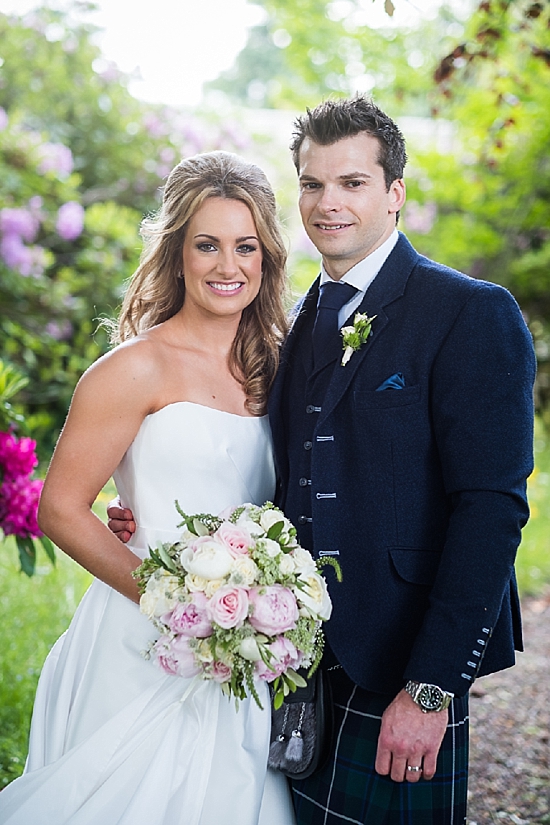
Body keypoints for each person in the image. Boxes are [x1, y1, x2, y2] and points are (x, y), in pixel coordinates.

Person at [108, 97, 536, 824]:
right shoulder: (293, 323)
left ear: (395, 193)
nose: (328, 202)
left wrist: (431, 688)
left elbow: (492, 510)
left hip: (402, 659)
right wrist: (158, 517)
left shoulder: (469, 312)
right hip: (293, 659)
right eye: (312, 183)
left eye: (353, 182)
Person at [0, 151, 298, 825]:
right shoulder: (131, 370)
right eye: (208, 245)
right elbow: (60, 508)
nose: (228, 266)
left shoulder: (280, 369)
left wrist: (252, 612)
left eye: (245, 246)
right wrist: (177, 606)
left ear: (267, 256)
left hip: (242, 649)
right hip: (144, 641)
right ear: (178, 252)